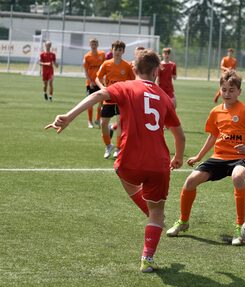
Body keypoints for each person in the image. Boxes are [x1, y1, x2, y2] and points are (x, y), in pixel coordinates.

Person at [45, 48, 186, 273]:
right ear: (157, 70)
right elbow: (179, 135)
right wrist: (178, 157)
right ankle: (147, 258)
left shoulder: (126, 86)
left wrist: (68, 117)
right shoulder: (164, 97)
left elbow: (97, 95)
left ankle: (148, 211)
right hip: (159, 163)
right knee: (158, 212)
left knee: (121, 172)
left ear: (133, 68)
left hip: (129, 161)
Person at [166, 70, 245, 246]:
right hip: (219, 157)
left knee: (237, 176)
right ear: (219, 90)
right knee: (190, 181)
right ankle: (183, 221)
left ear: (239, 92)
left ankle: (240, 227)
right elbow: (212, 136)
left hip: (242, 157)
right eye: (224, 90)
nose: (227, 94)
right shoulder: (215, 112)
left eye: (231, 90)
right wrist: (198, 156)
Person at [95, 40, 135, 159]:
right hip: (109, 97)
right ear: (112, 50)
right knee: (103, 123)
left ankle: (118, 148)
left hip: (121, 100)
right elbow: (98, 77)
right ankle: (108, 146)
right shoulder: (106, 63)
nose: (117, 52)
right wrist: (103, 87)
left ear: (123, 51)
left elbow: (132, 81)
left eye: (120, 50)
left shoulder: (127, 66)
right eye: (115, 49)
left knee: (120, 124)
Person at [83, 38, 105, 128]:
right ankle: (90, 121)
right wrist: (90, 81)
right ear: (90, 45)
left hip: (100, 82)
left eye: (95, 43)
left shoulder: (102, 54)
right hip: (90, 83)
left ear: (97, 45)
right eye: (92, 44)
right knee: (90, 103)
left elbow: (104, 67)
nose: (94, 45)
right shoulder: (87, 56)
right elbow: (85, 70)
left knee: (102, 102)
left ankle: (97, 119)